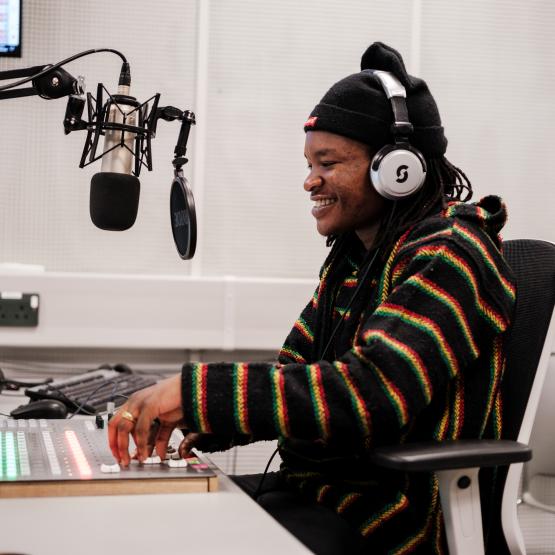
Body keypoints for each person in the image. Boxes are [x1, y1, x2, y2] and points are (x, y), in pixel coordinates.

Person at [108, 42, 516, 554]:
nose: (309, 181)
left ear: (398, 169)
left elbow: (370, 394)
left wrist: (198, 392)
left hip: (390, 520)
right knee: (154, 526)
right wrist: (202, 419)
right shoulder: (355, 260)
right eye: (308, 162)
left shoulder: (453, 255)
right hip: (319, 496)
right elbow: (296, 375)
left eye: (328, 162)